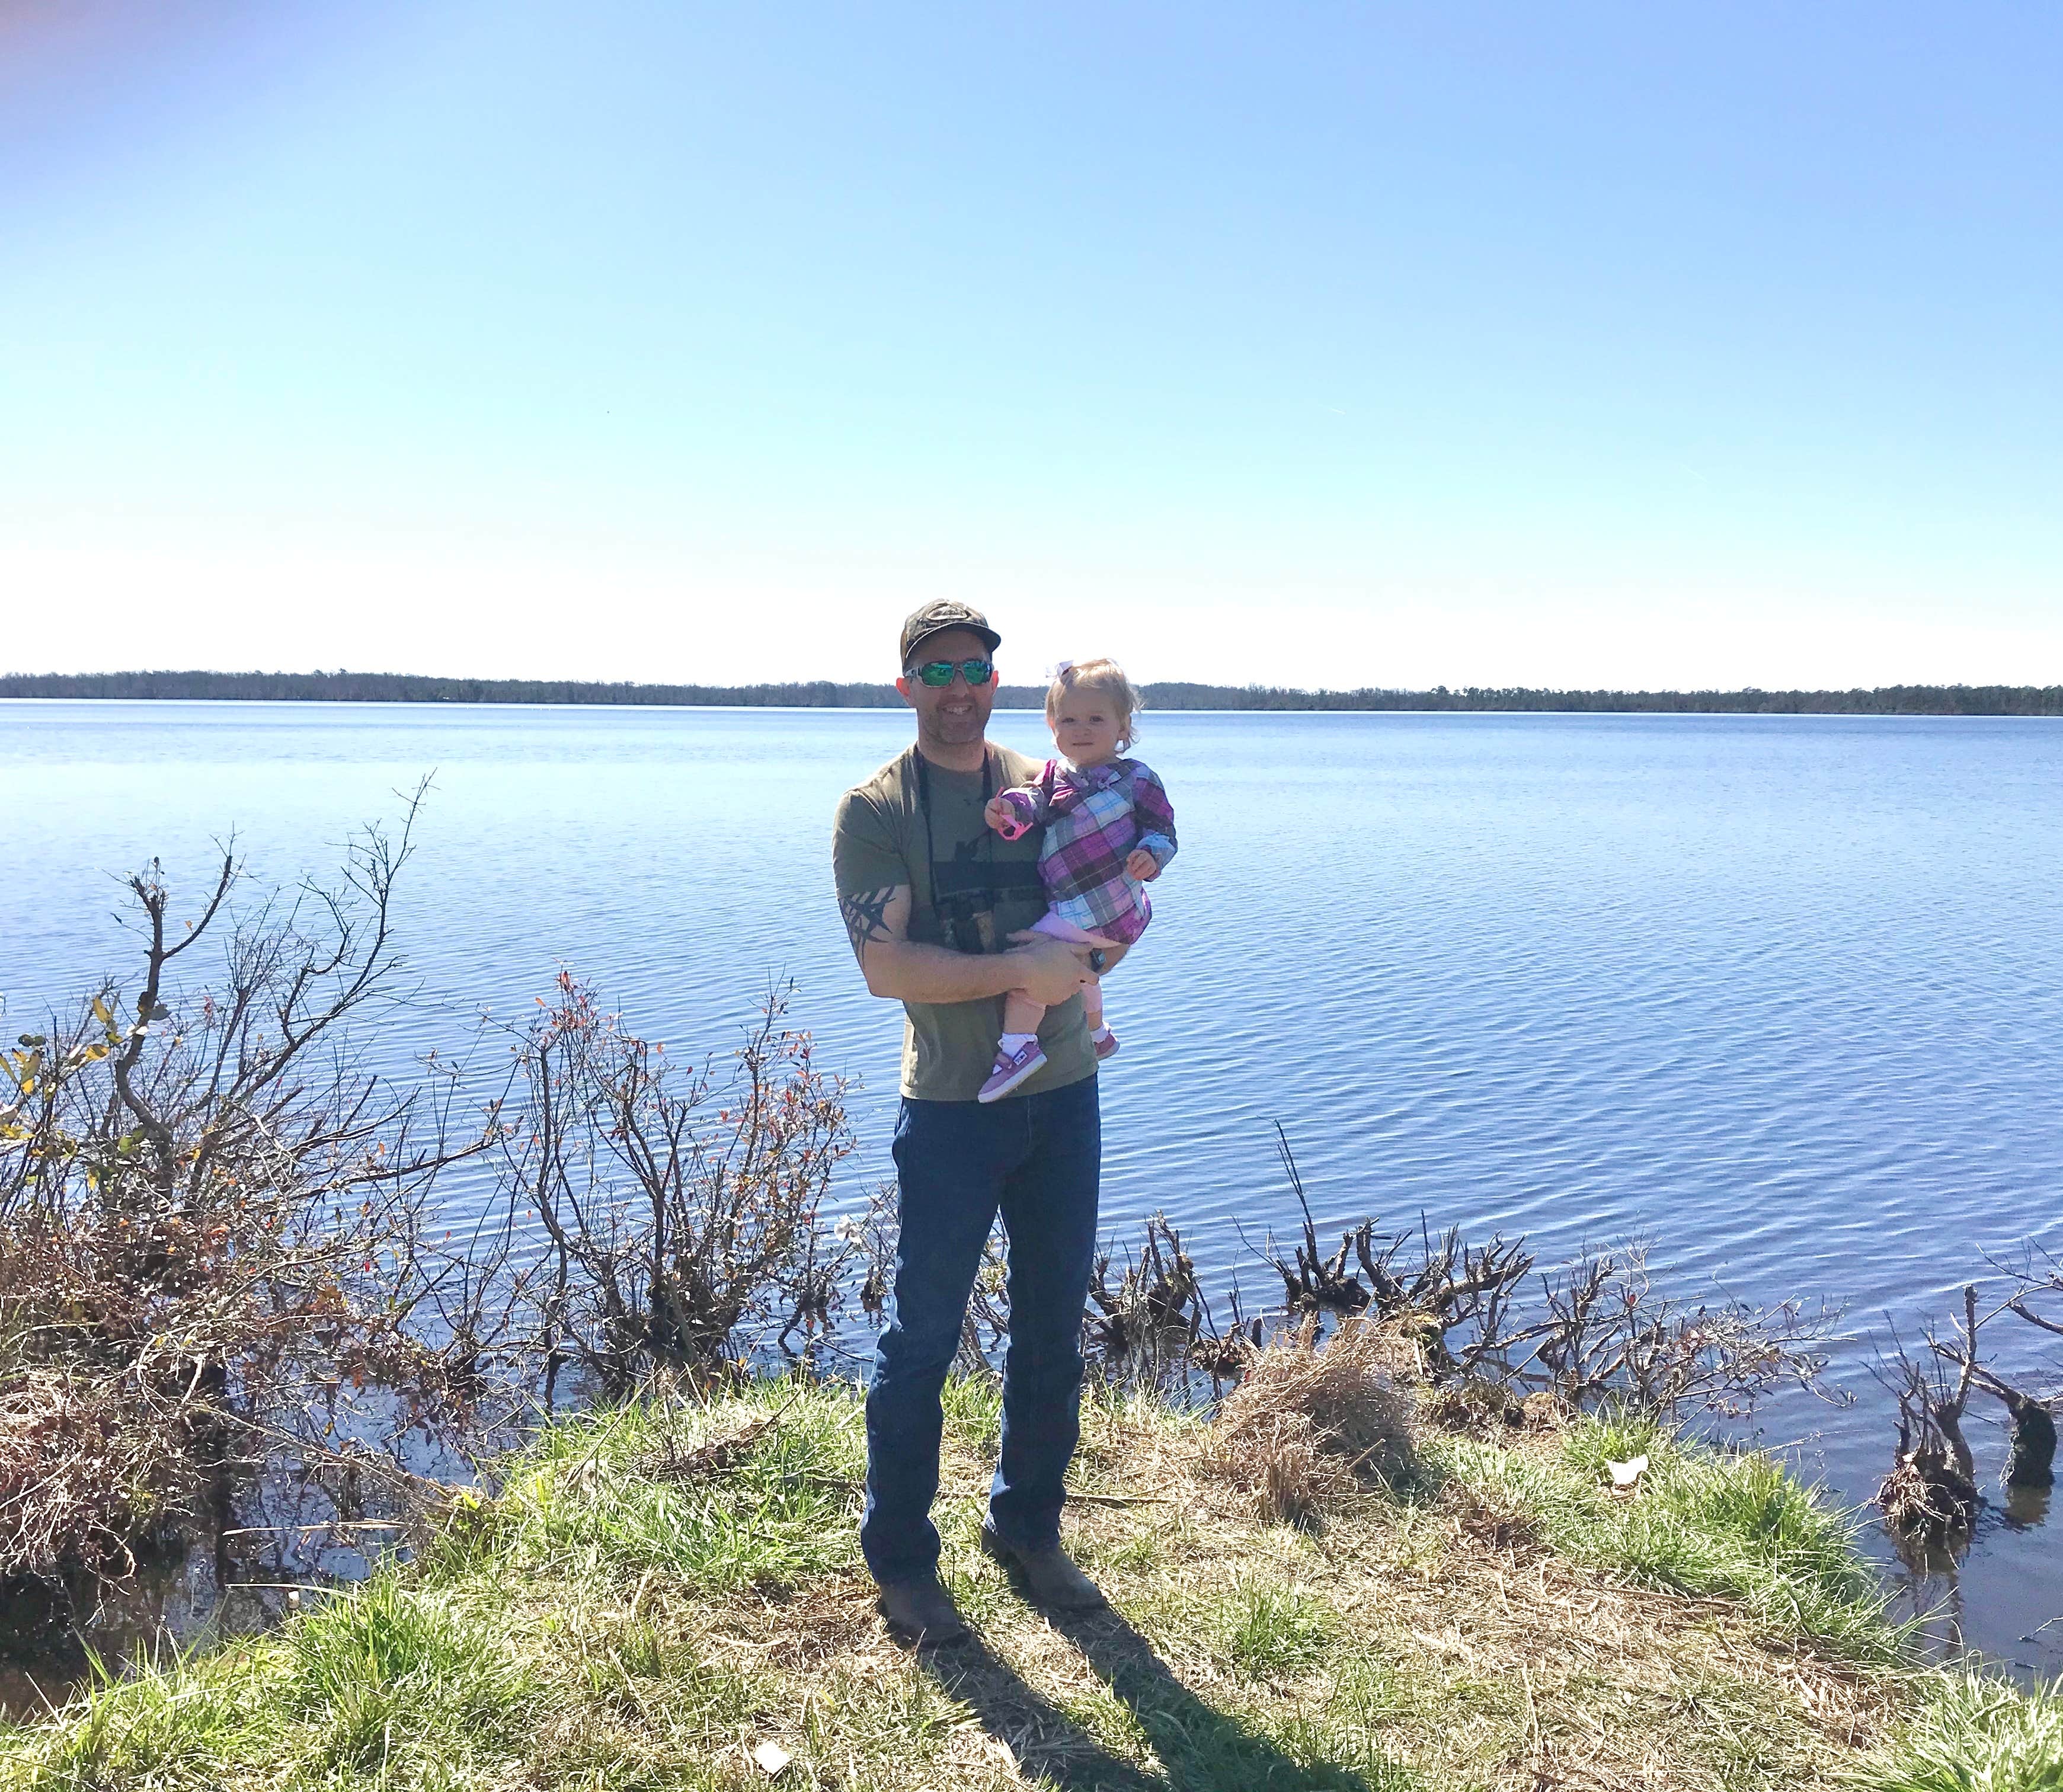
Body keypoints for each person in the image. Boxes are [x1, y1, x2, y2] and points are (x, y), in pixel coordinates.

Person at [832, 600, 1118, 1646]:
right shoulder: (876, 810)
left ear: (998, 682)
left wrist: (1096, 955)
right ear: (907, 684)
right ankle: (903, 1558)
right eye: (937, 672)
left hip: (1062, 1094)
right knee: (921, 1338)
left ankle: (1028, 1527)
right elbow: (883, 966)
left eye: (976, 671)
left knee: (1052, 1324)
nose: (959, 690)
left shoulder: (1046, 786)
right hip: (952, 1109)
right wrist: (1016, 970)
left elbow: (1101, 894)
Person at [978, 657, 1176, 1101]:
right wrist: (1008, 810)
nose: (1081, 729)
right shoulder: (1054, 777)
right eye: (1069, 719)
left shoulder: (1137, 780)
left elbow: (1162, 829)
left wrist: (1151, 855)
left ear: (1123, 727)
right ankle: (1098, 1033)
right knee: (1083, 971)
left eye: (1095, 719)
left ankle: (1018, 1048)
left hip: (1106, 905)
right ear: (1052, 727)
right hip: (1082, 907)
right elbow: (1032, 803)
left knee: (1030, 967)